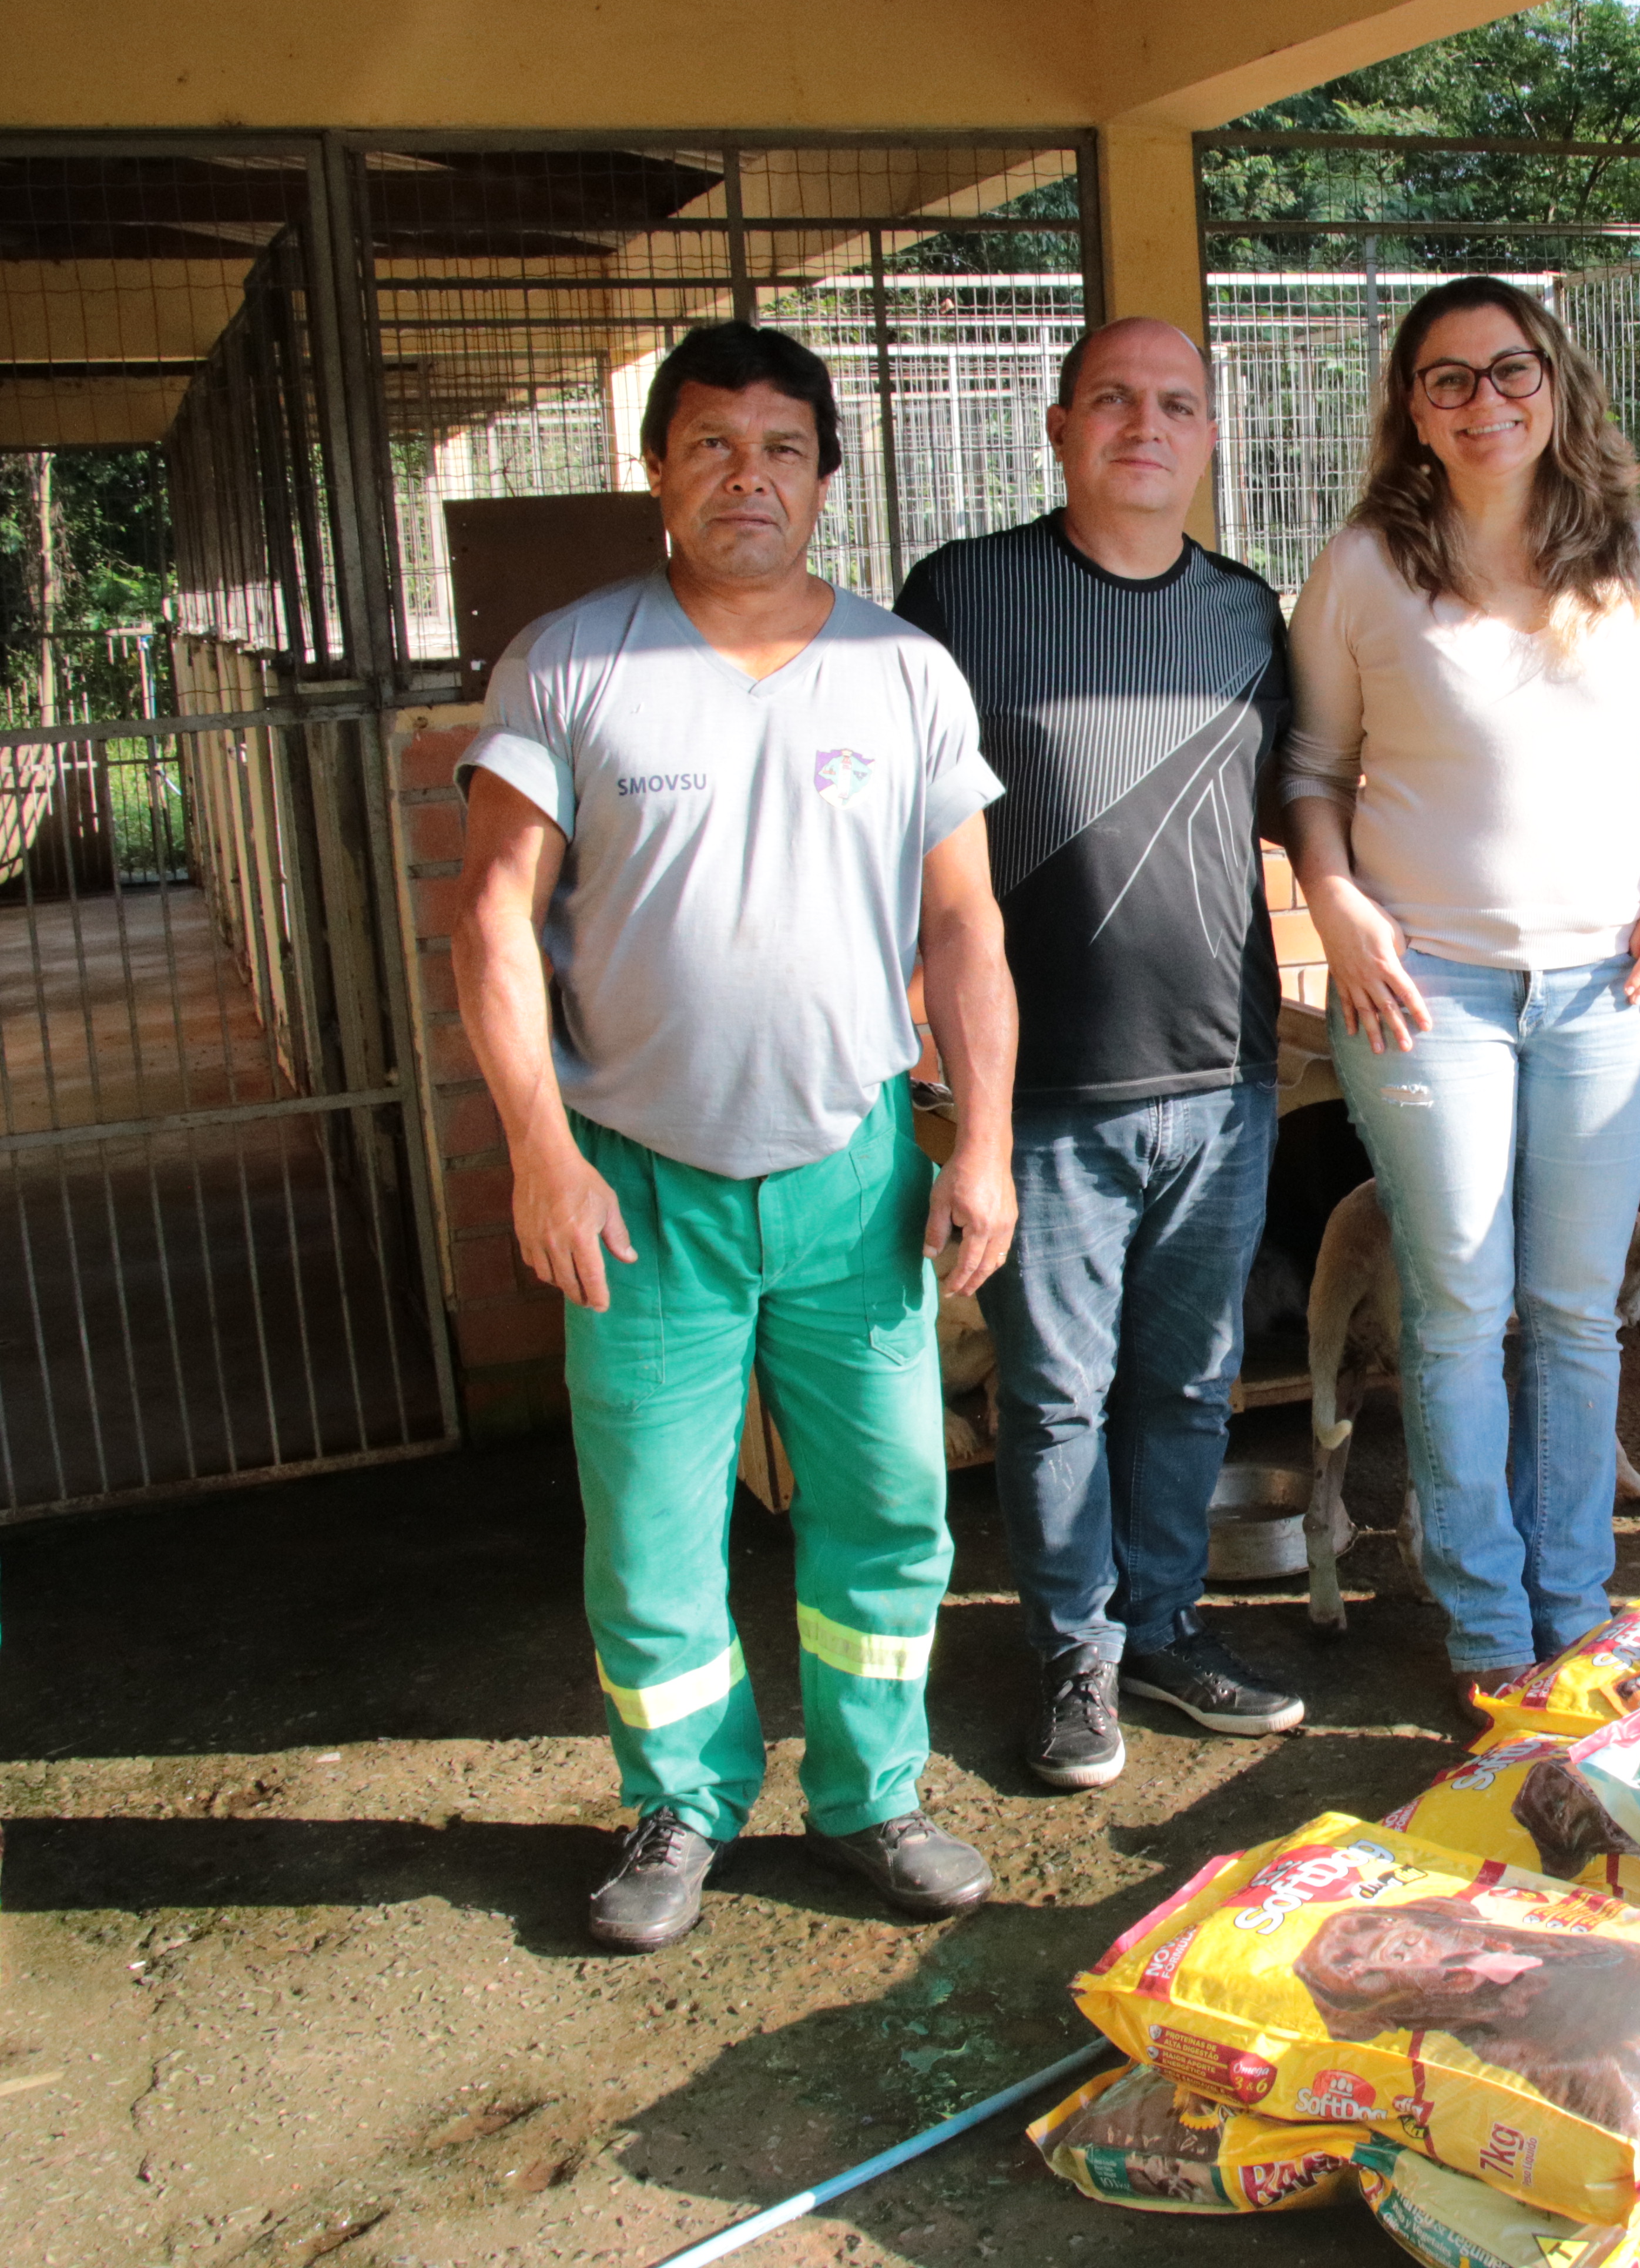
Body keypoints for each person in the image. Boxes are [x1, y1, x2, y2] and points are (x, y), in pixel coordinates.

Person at [457, 322, 1017, 1950]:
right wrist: (541, 1154)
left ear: (825, 477)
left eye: (780, 448)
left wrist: (977, 1146)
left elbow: (966, 927)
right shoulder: (570, 662)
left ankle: (873, 1797)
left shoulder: (902, 670)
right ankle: (680, 1807)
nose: (746, 478)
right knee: (649, 1532)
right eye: (710, 445)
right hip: (638, 1185)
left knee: (892, 1510)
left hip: (855, 1176)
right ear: (657, 470)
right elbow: (495, 923)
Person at [1282, 275, 1640, 1719]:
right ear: (1412, 405)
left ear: (1557, 381)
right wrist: (1334, 904)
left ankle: (1575, 1607)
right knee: (1459, 1307)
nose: (1483, 400)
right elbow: (1312, 773)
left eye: (1507, 369)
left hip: (1609, 978)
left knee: (1575, 1312)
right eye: (1447, 378)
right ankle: (1485, 1624)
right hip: (1425, 988)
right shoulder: (1362, 565)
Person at [893, 316, 1305, 1793]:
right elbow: (903, 836)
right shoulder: (962, 595)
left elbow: (1304, 809)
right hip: (1043, 1087)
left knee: (1191, 1381)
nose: (1148, 424)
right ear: (1060, 427)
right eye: (1116, 400)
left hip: (1223, 1076)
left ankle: (1170, 1622)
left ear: (1210, 437)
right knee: (1056, 1390)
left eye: (1178, 403)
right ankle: (1076, 1655)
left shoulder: (1253, 615)